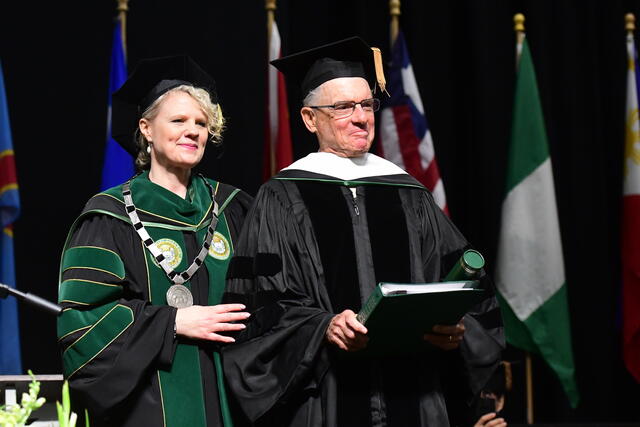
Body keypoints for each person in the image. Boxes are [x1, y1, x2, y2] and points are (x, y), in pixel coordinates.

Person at [221, 37, 505, 426]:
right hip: (326, 401)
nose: (361, 117)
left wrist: (455, 328)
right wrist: (323, 326)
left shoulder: (408, 192)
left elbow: (466, 290)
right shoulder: (281, 197)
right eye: (342, 107)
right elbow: (259, 310)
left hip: (416, 398)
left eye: (367, 104)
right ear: (309, 119)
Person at [56, 55, 253, 427]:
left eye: (201, 123)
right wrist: (172, 323)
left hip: (233, 397)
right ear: (146, 128)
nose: (193, 131)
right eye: (178, 120)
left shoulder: (235, 209)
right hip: (147, 405)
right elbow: (83, 322)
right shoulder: (108, 217)